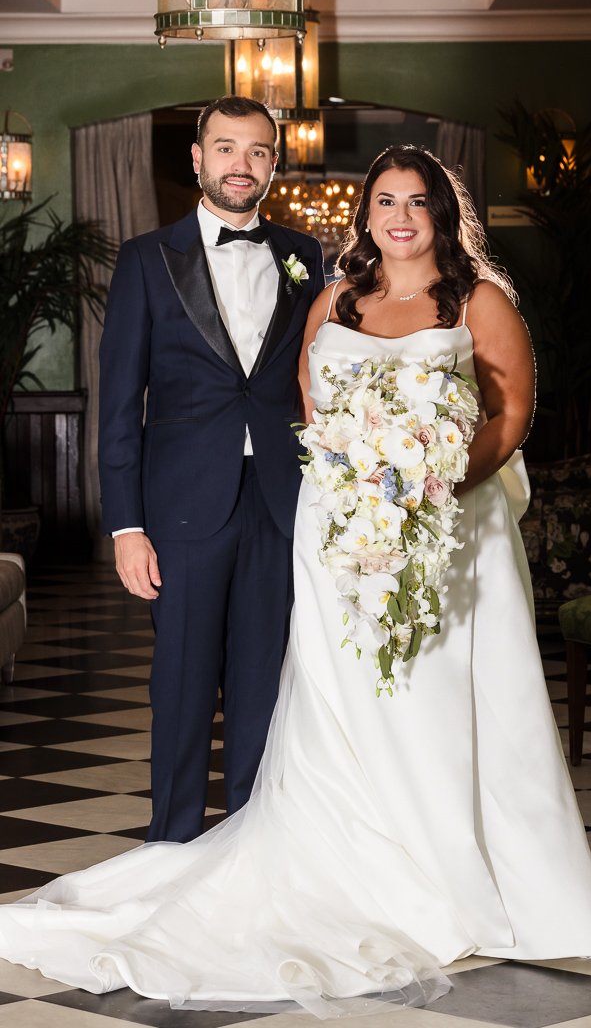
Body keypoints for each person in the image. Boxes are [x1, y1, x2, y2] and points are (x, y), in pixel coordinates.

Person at [0, 145, 591, 1017]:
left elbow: (511, 414)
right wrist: (364, 484)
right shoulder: (334, 298)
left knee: (445, 704)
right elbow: (308, 397)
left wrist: (430, 488)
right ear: (364, 215)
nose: (400, 217)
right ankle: (351, 860)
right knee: (342, 706)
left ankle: (465, 873)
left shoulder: (479, 303)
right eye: (385, 202)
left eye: (417, 202)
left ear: (443, 214)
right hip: (337, 541)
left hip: (451, 539)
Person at [97, 95, 325, 843]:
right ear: (197, 159)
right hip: (182, 510)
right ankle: (172, 851)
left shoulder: (306, 255)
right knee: (184, 691)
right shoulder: (146, 259)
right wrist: (127, 526)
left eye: (258, 151)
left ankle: (252, 860)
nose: (242, 164)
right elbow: (120, 401)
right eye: (226, 148)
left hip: (279, 504)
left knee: (266, 693)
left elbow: (316, 380)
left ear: (274, 163)